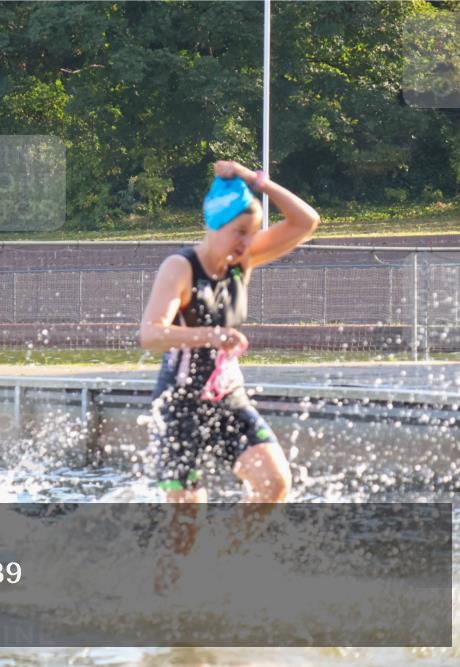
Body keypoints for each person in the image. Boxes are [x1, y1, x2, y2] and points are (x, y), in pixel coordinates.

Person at [140, 160, 319, 592]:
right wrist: (211, 334)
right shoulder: (180, 267)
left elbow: (306, 221)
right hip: (180, 405)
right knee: (187, 525)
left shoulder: (244, 260)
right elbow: (151, 334)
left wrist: (257, 180)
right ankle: (162, 604)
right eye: (239, 232)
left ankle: (219, 572)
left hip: (228, 399)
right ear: (214, 225)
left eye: (252, 232)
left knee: (273, 484)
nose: (247, 241)